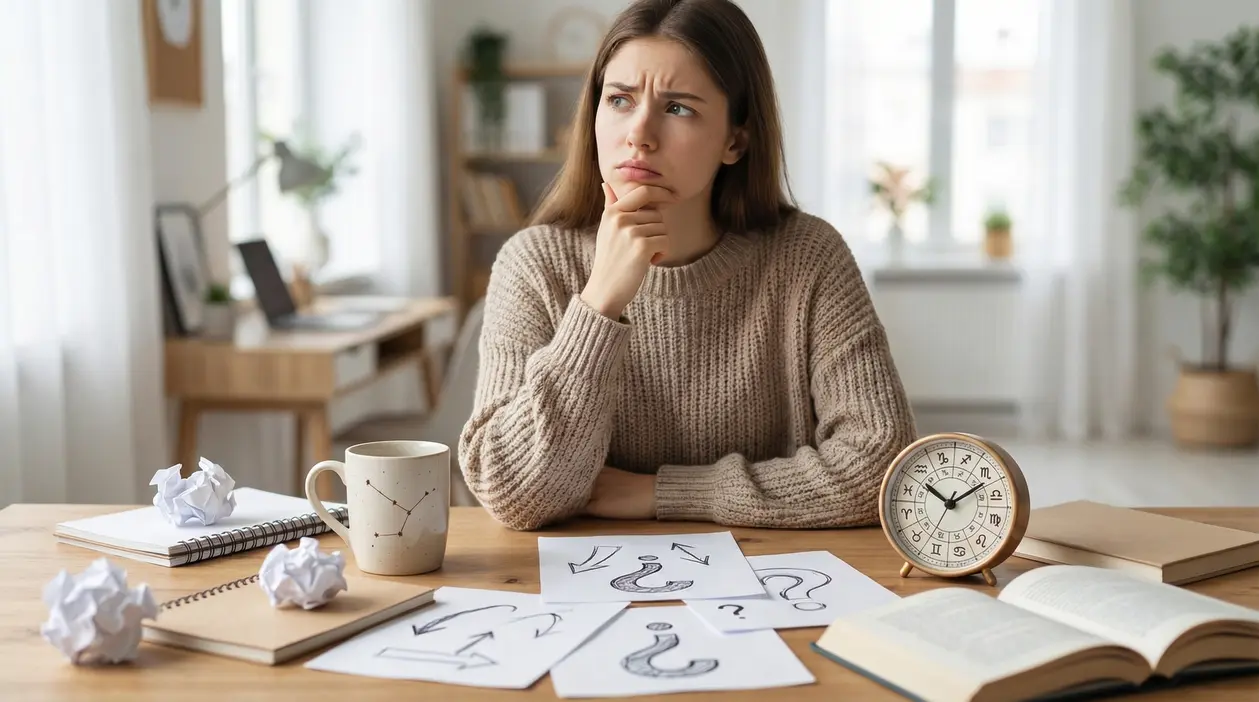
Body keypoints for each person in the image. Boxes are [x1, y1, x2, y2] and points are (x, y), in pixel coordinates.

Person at [458, 0, 916, 531]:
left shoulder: (808, 256)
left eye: (677, 108)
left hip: (772, 571)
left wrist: (664, 492)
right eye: (620, 99)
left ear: (735, 140)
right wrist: (600, 300)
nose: (639, 133)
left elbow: (883, 466)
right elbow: (512, 493)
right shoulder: (533, 263)